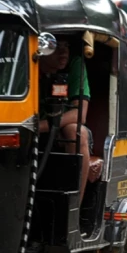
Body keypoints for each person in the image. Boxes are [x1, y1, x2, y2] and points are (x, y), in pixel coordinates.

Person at [37, 37, 92, 206]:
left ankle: (74, 209)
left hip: (54, 131)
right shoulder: (26, 65)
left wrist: (40, 127)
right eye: (55, 46)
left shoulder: (74, 64)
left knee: (76, 132)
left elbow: (79, 114)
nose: (63, 52)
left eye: (66, 46)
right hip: (28, 129)